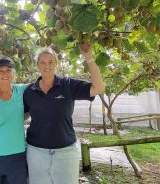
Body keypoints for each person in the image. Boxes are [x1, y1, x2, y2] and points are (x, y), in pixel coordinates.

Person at [23, 45, 105, 184]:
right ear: (37, 65)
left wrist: (89, 57)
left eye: (50, 62)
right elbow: (23, 115)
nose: (46, 65)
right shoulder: (29, 90)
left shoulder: (68, 84)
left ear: (56, 63)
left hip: (65, 151)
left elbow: (98, 88)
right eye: (42, 62)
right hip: (36, 151)